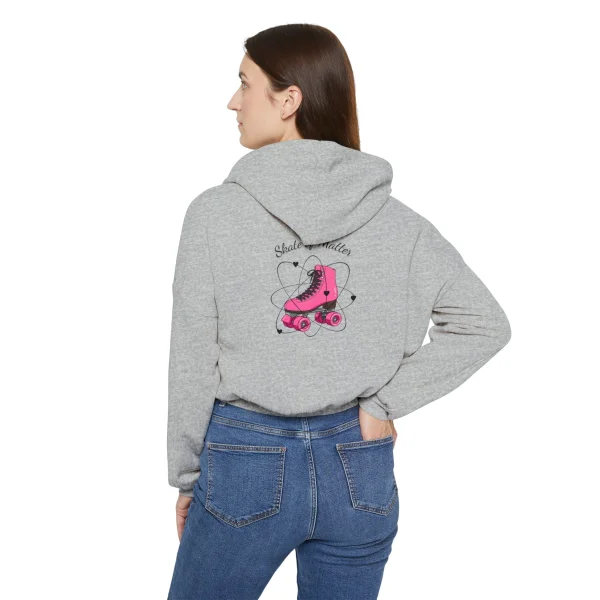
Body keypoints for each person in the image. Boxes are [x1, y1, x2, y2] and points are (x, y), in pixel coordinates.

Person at [166, 23, 511, 600]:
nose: (233, 101)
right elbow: (483, 324)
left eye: (245, 84)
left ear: (288, 100)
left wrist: (188, 476)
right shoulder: (399, 224)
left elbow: (192, 358)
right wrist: (380, 405)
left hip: (244, 462)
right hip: (358, 464)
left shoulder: (214, 215)